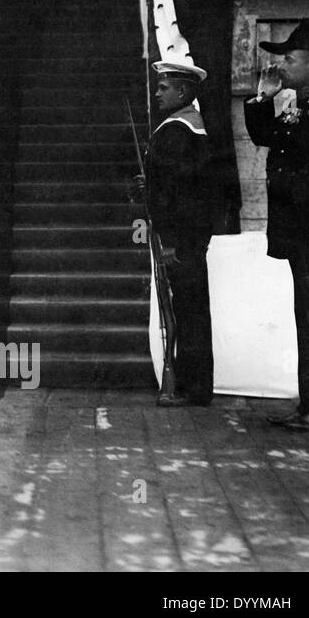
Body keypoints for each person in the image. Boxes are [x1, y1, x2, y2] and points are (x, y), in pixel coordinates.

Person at [246, 20, 309, 432]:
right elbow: (264, 135)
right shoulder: (297, 106)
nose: (281, 65)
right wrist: (262, 98)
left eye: (289, 58)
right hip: (301, 236)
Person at [135, 61, 215, 407]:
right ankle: (192, 386)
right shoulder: (183, 127)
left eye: (163, 87)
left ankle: (191, 389)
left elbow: (180, 194)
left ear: (182, 92)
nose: (157, 92)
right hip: (188, 237)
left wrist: (170, 242)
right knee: (190, 310)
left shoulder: (178, 131)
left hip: (180, 239)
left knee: (189, 312)